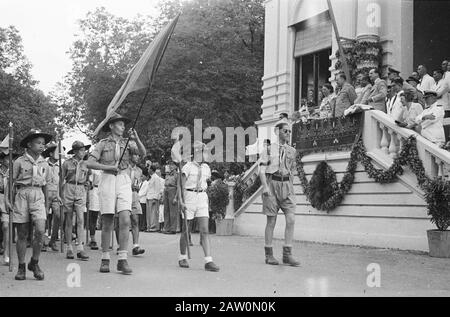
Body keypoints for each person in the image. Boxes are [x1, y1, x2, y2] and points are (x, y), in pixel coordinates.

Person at [87, 112, 146, 274]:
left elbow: (143, 154)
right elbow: (89, 163)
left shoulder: (128, 142)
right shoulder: (102, 143)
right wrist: (107, 167)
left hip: (124, 180)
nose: (123, 127)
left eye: (123, 124)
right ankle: (105, 258)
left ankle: (122, 259)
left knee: (126, 219)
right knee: (107, 220)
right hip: (107, 180)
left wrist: (136, 138)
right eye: (119, 124)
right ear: (111, 126)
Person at [6, 130, 59, 280]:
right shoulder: (19, 162)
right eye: (38, 143)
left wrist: (47, 203)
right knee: (22, 233)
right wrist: (8, 200)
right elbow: (11, 182)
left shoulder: (45, 164)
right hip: (22, 194)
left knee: (41, 231)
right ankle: (22, 267)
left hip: (38, 196)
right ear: (29, 144)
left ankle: (34, 262)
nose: (42, 146)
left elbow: (46, 185)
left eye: (43, 143)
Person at [259, 121, 299, 267]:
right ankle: (269, 254)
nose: (288, 134)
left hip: (287, 186)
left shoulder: (292, 151)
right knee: (271, 221)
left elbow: (292, 169)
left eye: (289, 131)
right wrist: (265, 187)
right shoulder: (269, 150)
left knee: (291, 219)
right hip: (272, 184)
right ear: (277, 132)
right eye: (285, 131)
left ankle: (287, 255)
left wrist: (290, 185)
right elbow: (261, 170)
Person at [178, 141, 220, 272]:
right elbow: (180, 185)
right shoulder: (187, 167)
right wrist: (181, 201)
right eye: (205, 151)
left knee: (204, 229)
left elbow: (206, 183)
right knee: (186, 229)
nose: (207, 154)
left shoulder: (206, 168)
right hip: (189, 196)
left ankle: (208, 260)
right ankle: (182, 256)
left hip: (202, 197)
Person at [62, 141, 90, 261]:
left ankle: (80, 248)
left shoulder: (86, 164)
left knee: (80, 219)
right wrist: (60, 194)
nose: (83, 152)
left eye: (84, 150)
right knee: (68, 220)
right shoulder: (66, 163)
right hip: (69, 188)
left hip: (80, 190)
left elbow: (88, 177)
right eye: (81, 150)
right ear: (75, 151)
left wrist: (87, 185)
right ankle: (69, 247)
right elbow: (61, 178)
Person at [41, 141, 62, 252]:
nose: (59, 154)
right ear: (50, 154)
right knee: (43, 217)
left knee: (58, 216)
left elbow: (61, 181)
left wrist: (58, 194)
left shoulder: (61, 166)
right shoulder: (44, 164)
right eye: (56, 152)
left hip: (56, 193)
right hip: (45, 193)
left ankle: (53, 240)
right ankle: (43, 241)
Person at [130, 154, 145, 255]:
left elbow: (138, 184)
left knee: (135, 220)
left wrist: (137, 188)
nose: (137, 157)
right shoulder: (123, 168)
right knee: (121, 222)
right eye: (135, 154)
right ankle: (119, 246)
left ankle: (136, 246)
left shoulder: (139, 171)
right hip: (124, 194)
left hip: (134, 196)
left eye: (137, 155)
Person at [163, 161, 179, 234]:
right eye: (170, 165)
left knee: (173, 211)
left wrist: (176, 197)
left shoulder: (177, 175)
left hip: (173, 190)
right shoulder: (167, 174)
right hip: (166, 190)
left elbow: (178, 187)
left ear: (176, 166)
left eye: (172, 165)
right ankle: (166, 228)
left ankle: (173, 229)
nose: (171, 166)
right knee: (166, 210)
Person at [145, 166, 163, 232]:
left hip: (153, 198)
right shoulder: (151, 177)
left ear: (152, 170)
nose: (148, 170)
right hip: (149, 197)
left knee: (153, 213)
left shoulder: (156, 177)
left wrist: (155, 198)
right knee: (149, 213)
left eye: (149, 169)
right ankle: (149, 226)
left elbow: (157, 188)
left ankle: (154, 227)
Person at [87, 168, 101, 250]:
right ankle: (92, 239)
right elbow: (90, 181)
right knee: (94, 216)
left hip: (104, 190)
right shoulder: (93, 168)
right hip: (95, 190)